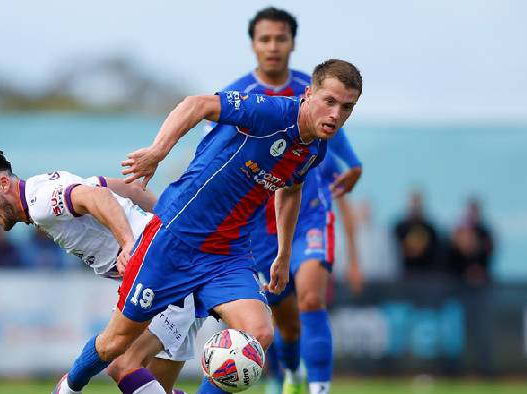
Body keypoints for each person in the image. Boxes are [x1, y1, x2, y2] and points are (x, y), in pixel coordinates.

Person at [57, 58, 362, 394]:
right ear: (308, 94)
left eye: (346, 107)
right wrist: (157, 152)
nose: (336, 115)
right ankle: (70, 386)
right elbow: (197, 104)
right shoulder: (271, 113)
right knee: (114, 344)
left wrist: (284, 254)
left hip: (226, 254)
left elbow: (289, 190)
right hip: (175, 238)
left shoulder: (315, 149)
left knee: (260, 334)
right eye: (329, 102)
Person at [0, 149, 200, 394]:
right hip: (168, 263)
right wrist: (168, 223)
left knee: (121, 363)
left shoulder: (41, 203)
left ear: (3, 183)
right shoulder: (45, 185)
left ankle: (67, 387)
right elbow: (129, 190)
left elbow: (99, 198)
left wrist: (129, 245)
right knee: (154, 383)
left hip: (159, 270)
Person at [205, 9, 363, 394]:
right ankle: (287, 375)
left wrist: (354, 165)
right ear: (254, 44)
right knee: (283, 322)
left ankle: (319, 389)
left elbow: (334, 138)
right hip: (257, 226)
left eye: (281, 38)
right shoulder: (238, 94)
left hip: (308, 211)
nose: (273, 47)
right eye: (265, 39)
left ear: (292, 43)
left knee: (311, 298)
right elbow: (213, 154)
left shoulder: (317, 92)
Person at [393, 189, 442, 278]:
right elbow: (394, 252)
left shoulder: (430, 228)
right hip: (403, 275)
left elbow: (436, 252)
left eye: (418, 202)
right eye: (413, 202)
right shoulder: (400, 228)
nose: (415, 205)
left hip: (426, 275)